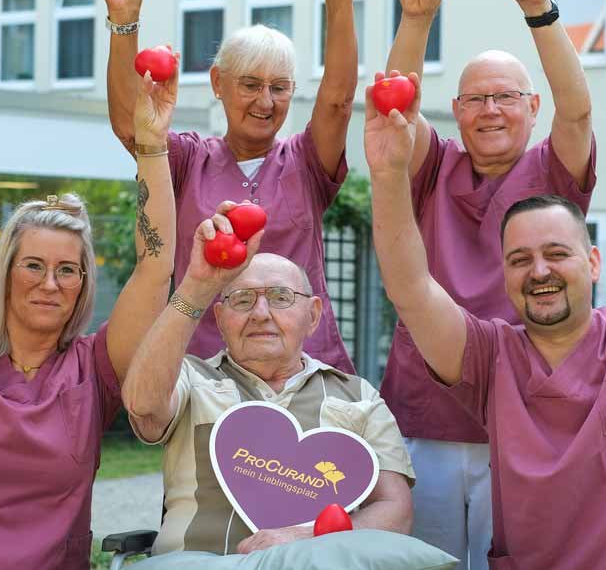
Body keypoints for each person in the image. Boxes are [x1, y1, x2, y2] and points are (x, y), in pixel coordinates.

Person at [364, 8, 606, 569]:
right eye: (519, 259)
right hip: (434, 417)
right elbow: (410, 286)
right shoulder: (495, 361)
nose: (538, 271)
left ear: (594, 261)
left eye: (557, 254)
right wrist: (387, 174)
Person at [0, 22, 180, 569]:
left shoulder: (95, 371)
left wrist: (151, 144)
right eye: (34, 266)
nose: (50, 283)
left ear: (84, 283)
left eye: (68, 270)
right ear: (6, 272)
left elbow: (156, 264)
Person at [377, 0, 596, 568]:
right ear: (456, 109)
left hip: (524, 415)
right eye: (475, 99)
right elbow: (395, 106)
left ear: (533, 107)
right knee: (421, 562)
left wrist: (538, 7)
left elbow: (578, 114)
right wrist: (416, 16)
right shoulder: (434, 167)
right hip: (426, 416)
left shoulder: (552, 174)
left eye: (506, 97)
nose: (490, 110)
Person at [92, 0, 373, 373]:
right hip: (206, 374)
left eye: (279, 88)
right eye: (250, 85)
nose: (266, 102)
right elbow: (131, 126)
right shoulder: (188, 160)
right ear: (218, 83)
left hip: (303, 371)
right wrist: (124, 18)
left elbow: (338, 102)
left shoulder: (305, 161)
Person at [122, 220, 415, 556]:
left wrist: (307, 537)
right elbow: (142, 404)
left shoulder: (359, 397)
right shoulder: (188, 378)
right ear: (220, 319)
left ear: (313, 315)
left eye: (280, 297)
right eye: (242, 300)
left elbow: (396, 511)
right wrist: (195, 287)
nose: (260, 313)